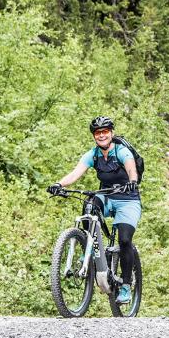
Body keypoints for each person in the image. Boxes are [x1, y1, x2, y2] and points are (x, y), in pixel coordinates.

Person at [49, 116, 140, 304]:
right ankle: (87, 247)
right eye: (98, 133)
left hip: (127, 199)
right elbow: (75, 173)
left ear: (111, 133)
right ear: (94, 136)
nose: (102, 135)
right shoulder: (93, 154)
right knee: (89, 204)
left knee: (124, 240)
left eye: (105, 132)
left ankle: (126, 286)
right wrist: (59, 184)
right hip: (106, 195)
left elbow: (131, 168)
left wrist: (132, 182)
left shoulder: (121, 151)